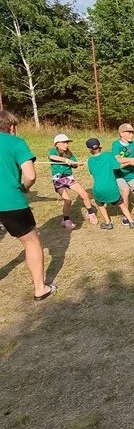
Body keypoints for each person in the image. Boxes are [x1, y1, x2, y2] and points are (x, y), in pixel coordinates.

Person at [0, 110, 55, 300]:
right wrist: (24, 187)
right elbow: (30, 175)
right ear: (11, 127)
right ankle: (40, 288)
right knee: (31, 242)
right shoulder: (16, 142)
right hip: (10, 201)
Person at [86, 138, 134, 230]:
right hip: (111, 188)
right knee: (122, 204)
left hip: (98, 189)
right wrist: (130, 162)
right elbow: (118, 166)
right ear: (100, 146)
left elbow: (91, 172)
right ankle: (131, 222)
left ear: (89, 149)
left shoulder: (90, 161)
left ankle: (108, 223)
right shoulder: (108, 155)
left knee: (100, 205)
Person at [48, 134, 98, 228]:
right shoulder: (53, 151)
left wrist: (76, 164)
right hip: (58, 178)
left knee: (84, 194)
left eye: (67, 143)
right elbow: (52, 157)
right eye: (63, 143)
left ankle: (90, 214)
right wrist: (66, 160)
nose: (66, 145)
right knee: (68, 200)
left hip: (68, 177)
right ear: (57, 144)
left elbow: (74, 165)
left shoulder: (70, 154)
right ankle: (65, 219)